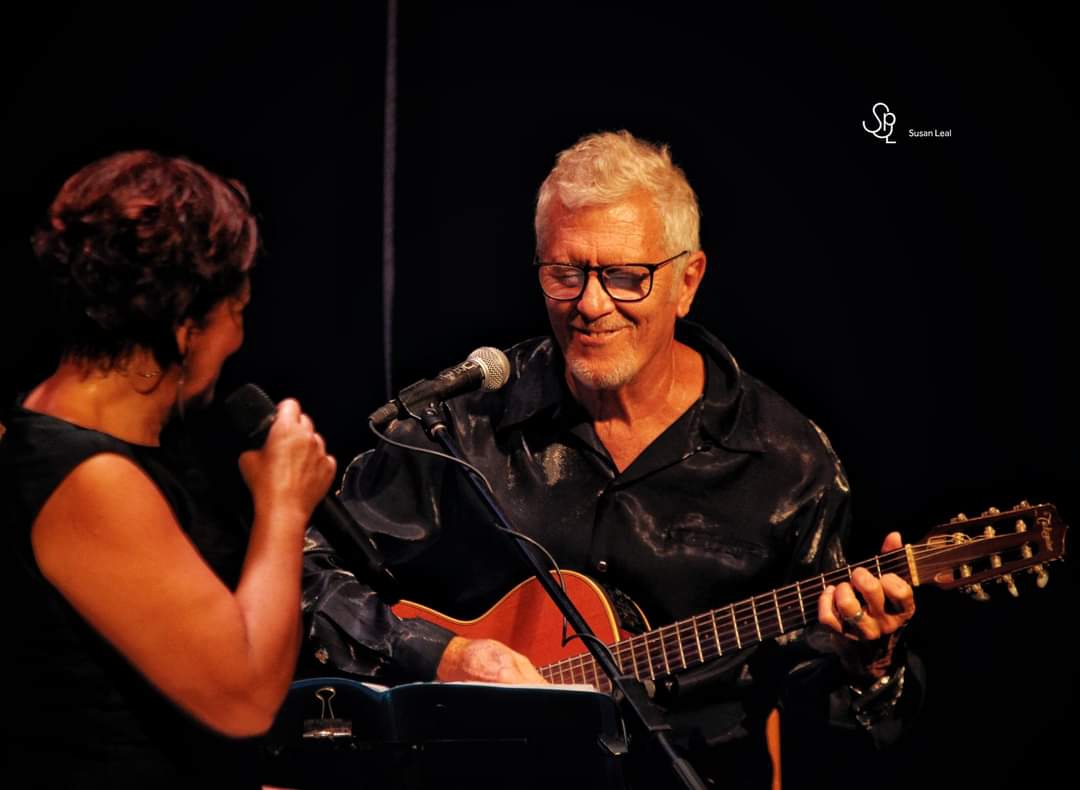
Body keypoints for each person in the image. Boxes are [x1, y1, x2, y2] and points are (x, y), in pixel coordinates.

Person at [302, 131, 921, 787]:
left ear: (688, 281)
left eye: (626, 277)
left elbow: (847, 731)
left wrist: (873, 666)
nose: (591, 306)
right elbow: (299, 568)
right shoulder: (464, 427)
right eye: (565, 274)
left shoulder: (787, 464)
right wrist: (442, 655)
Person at [1, 150, 335, 788]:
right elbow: (242, 697)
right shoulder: (88, 479)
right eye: (235, 312)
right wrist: (284, 505)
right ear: (185, 328)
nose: (239, 338)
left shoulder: (82, 444)